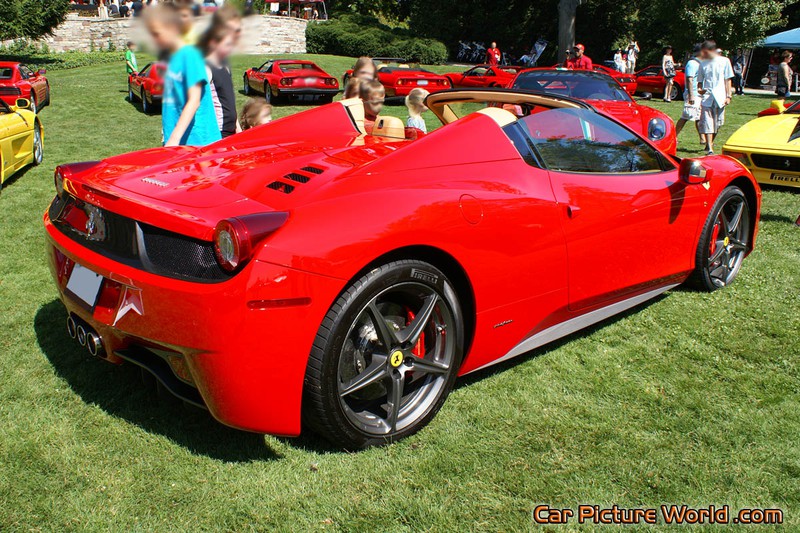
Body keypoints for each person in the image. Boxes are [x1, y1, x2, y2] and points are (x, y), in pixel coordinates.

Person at [146, 4, 220, 147]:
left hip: (199, 143)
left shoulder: (190, 56)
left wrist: (174, 138)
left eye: (157, 34)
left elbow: (194, 100)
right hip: (179, 144)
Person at [200, 19, 239, 138]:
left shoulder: (226, 65)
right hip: (218, 132)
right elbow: (200, 105)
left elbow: (229, 101)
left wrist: (238, 129)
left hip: (232, 129)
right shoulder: (206, 67)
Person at [697, 40, 734, 155]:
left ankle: (710, 142)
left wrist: (729, 95)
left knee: (718, 123)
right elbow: (699, 82)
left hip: (720, 96)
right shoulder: (702, 63)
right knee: (708, 122)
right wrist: (700, 90)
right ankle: (710, 148)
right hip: (707, 97)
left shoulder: (724, 61)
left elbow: (728, 79)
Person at [675, 43, 703, 141]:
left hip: (698, 94)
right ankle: (674, 136)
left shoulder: (699, 63)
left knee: (699, 116)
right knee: (686, 116)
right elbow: (690, 79)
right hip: (692, 94)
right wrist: (691, 95)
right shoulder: (692, 63)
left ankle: (703, 140)